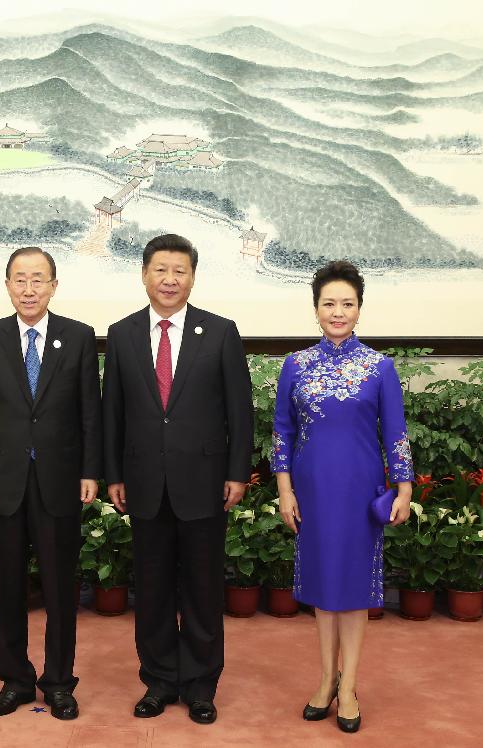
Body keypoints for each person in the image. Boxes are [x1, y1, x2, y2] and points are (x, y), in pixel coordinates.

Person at [102, 233, 253, 725]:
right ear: (144, 274)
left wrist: (237, 472)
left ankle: (202, 685)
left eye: (180, 271)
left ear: (193, 277)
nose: (170, 279)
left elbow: (239, 411)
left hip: (206, 481)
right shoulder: (122, 334)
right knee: (152, 589)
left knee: (204, 589)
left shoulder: (221, 331)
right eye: (161, 269)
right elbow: (113, 415)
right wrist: (113, 475)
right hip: (144, 482)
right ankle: (160, 680)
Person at [272, 260, 413, 734]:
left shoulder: (380, 367)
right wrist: (285, 491)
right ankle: (324, 679)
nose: (338, 312)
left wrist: (404, 487)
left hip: (359, 492)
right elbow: (282, 434)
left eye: (347, 304)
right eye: (329, 303)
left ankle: (349, 685)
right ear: (315, 309)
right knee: (322, 591)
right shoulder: (296, 365)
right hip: (311, 491)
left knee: (352, 592)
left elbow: (395, 432)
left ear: (359, 310)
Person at [0, 247, 102, 721]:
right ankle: (15, 680)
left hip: (61, 480)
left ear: (54, 286)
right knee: (6, 586)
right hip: (2, 480)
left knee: (62, 587)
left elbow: (90, 412)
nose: (29, 289)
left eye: (38, 279)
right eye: (20, 279)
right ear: (7, 285)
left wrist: (89, 470)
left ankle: (59, 681)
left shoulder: (79, 337)